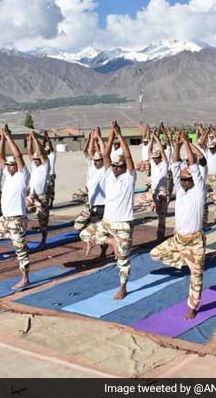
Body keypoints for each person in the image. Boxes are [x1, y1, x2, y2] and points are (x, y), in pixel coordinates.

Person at [150, 129, 206, 319]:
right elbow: (175, 163)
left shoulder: (198, 190)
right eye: (181, 179)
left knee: (196, 277)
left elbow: (192, 164)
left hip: (195, 241)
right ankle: (183, 261)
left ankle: (192, 307)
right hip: (178, 239)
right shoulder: (180, 190)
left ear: (193, 179)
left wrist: (188, 144)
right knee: (155, 253)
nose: (182, 182)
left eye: (186, 179)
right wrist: (178, 145)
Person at [79, 121, 136, 300]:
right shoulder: (108, 174)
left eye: (119, 166)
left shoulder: (129, 177)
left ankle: (122, 287)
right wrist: (111, 134)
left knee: (123, 259)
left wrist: (119, 136)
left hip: (123, 224)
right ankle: (110, 242)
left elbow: (128, 157)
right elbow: (105, 155)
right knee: (84, 234)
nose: (116, 168)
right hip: (107, 222)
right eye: (115, 165)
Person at [0, 125, 31, 290]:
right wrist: (3, 138)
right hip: (6, 219)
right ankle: (16, 238)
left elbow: (18, 156)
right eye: (7, 164)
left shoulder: (22, 175)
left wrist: (9, 137)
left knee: (21, 252)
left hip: (18, 218)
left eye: (11, 164)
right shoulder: (7, 173)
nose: (8, 166)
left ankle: (25, 278)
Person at [73, 128, 108, 258]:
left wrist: (98, 138)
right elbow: (88, 152)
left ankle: (103, 251)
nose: (95, 162)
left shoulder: (105, 169)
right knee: (78, 225)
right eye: (94, 160)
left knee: (100, 229)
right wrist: (91, 139)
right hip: (90, 203)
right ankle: (90, 241)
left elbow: (104, 153)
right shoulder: (91, 166)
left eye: (98, 160)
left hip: (101, 205)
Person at [26, 131, 50, 249]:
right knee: (21, 211)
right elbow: (29, 153)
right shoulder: (34, 166)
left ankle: (43, 240)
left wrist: (35, 139)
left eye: (37, 158)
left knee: (43, 220)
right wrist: (30, 140)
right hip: (31, 196)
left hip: (41, 197)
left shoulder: (45, 165)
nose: (35, 160)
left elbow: (41, 153)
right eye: (34, 159)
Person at [201, 125, 216, 227]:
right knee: (204, 199)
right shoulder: (207, 152)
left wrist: (214, 132)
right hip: (208, 177)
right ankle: (205, 219)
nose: (211, 149)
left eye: (213, 148)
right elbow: (202, 143)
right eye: (210, 148)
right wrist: (207, 132)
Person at [148, 132, 169, 241]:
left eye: (157, 157)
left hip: (162, 192)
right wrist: (151, 138)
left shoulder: (164, 164)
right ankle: (160, 233)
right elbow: (149, 150)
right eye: (154, 158)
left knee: (162, 215)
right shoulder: (153, 163)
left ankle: (160, 235)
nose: (155, 159)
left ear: (160, 157)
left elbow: (161, 150)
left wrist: (156, 137)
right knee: (158, 214)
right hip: (154, 191)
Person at [43, 130, 57, 208]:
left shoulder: (52, 156)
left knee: (51, 190)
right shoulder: (44, 157)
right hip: (46, 174)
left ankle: (51, 203)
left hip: (51, 175)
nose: (45, 152)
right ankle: (47, 203)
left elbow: (51, 146)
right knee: (46, 189)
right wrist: (44, 138)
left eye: (46, 151)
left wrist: (47, 137)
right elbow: (42, 147)